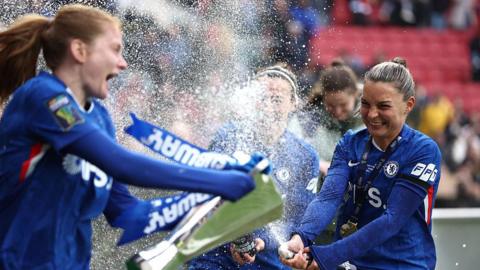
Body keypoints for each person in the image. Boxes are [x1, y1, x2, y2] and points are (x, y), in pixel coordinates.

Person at [0, 5, 263, 269]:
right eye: (114, 49)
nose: (123, 63)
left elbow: (128, 212)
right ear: (79, 51)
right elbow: (122, 164)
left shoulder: (100, 117)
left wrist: (198, 212)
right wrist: (219, 180)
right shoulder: (44, 97)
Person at [280, 57, 442, 270]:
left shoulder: (423, 151)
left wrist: (327, 256)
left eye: (383, 106)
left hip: (404, 264)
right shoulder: (350, 143)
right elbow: (329, 197)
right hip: (351, 263)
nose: (372, 114)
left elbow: (392, 220)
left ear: (409, 105)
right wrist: (302, 236)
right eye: (366, 104)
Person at [189, 65, 320, 269]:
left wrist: (263, 240)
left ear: (294, 103)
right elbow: (206, 197)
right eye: (261, 98)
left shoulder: (305, 156)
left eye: (276, 100)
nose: (267, 107)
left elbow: (298, 220)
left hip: (270, 261)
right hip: (216, 255)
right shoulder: (228, 138)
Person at [291, 59, 363, 176]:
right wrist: (317, 163)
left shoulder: (369, 115)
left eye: (343, 105)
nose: (338, 111)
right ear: (323, 97)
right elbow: (292, 150)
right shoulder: (309, 117)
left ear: (355, 94)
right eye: (330, 105)